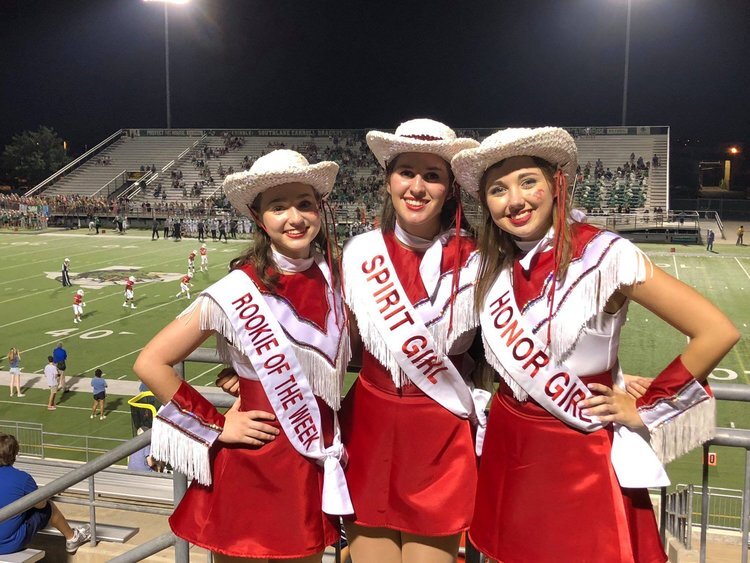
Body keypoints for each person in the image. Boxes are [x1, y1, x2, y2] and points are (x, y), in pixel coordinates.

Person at [450, 127, 740, 563]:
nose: (514, 200)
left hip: (581, 448)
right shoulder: (491, 264)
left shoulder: (606, 254)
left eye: (528, 181)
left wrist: (646, 406)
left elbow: (717, 331)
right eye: (498, 189)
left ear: (555, 184)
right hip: (510, 441)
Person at [133, 149, 352, 562]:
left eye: (305, 204)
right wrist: (216, 423)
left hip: (310, 460)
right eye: (278, 206)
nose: (295, 217)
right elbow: (151, 362)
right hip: (252, 457)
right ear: (258, 217)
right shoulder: (236, 289)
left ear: (320, 210)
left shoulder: (337, 277)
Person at [339, 119, 485, 563]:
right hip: (368, 427)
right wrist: (240, 366)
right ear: (388, 182)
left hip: (440, 436)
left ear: (450, 189)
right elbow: (332, 339)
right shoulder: (360, 252)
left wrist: (613, 377)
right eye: (407, 172)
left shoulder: (479, 257)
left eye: (433, 175)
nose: (417, 187)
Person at [0, 434, 91, 555]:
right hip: (8, 544)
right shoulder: (23, 479)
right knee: (49, 507)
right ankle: (72, 537)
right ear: (15, 454)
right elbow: (42, 505)